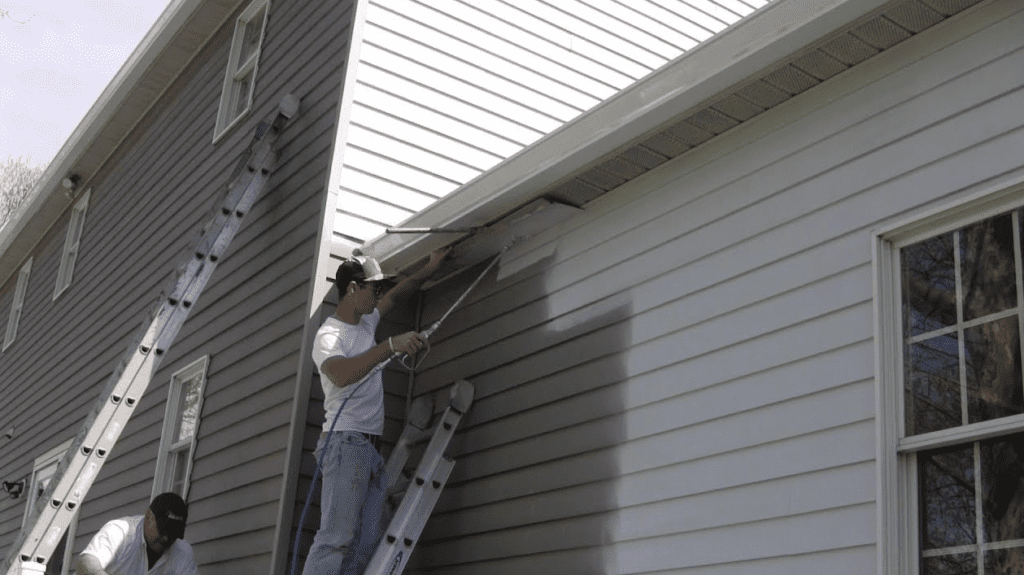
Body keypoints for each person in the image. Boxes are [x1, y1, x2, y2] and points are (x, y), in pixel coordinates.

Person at [302, 248, 450, 575]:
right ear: (353, 289)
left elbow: (398, 295)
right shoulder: (330, 335)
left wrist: (430, 267)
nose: (379, 295)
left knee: (367, 539)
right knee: (336, 537)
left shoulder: (366, 321)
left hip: (370, 448)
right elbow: (340, 374)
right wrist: (389, 346)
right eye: (374, 289)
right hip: (345, 444)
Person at [76, 492, 196, 575]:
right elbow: (85, 564)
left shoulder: (182, 551)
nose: (166, 538)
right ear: (148, 516)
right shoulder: (121, 531)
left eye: (174, 534)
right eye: (163, 530)